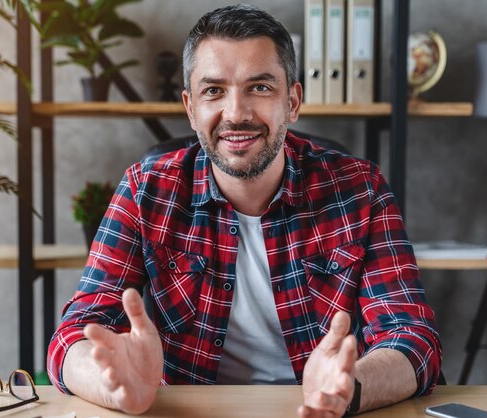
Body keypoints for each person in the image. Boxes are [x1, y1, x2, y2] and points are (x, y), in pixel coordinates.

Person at [47, 4, 442, 417]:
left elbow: (412, 336)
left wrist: (350, 388)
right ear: (190, 107)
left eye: (259, 87)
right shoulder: (146, 189)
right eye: (214, 91)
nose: (235, 114)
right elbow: (72, 335)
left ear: (292, 101)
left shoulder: (359, 188)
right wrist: (114, 387)